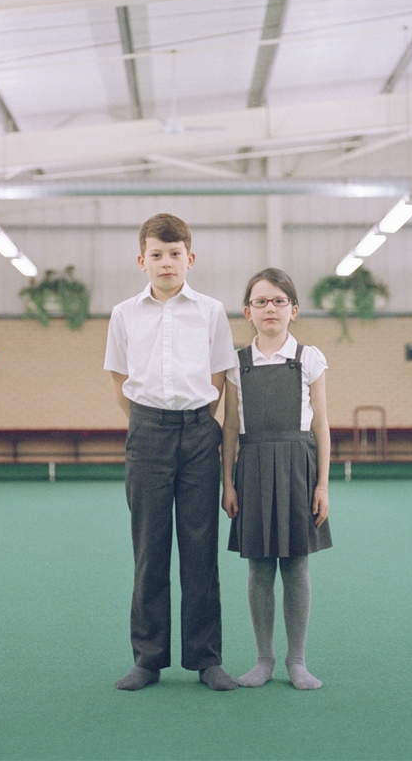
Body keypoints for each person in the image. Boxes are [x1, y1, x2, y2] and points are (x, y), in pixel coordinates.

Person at [104, 213, 239, 691]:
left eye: (175, 253)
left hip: (200, 433)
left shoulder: (211, 311)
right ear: (142, 260)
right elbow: (120, 382)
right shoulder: (124, 314)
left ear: (190, 258)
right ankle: (148, 658)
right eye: (156, 255)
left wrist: (191, 420)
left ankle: (206, 659)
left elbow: (221, 379)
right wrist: (153, 422)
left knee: (201, 552)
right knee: (150, 550)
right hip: (147, 436)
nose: (166, 262)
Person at [222, 267, 332, 690]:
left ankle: (297, 661)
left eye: (279, 301)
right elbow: (230, 426)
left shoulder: (310, 358)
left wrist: (322, 484)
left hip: (298, 469)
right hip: (251, 466)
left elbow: (321, 424)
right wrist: (228, 483)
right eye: (261, 301)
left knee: (296, 567)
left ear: (294, 310)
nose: (270, 308)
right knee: (260, 568)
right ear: (247, 312)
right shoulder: (237, 363)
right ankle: (264, 658)